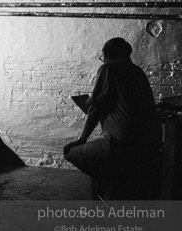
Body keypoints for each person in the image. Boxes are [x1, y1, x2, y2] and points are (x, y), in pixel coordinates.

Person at [63, 38, 162, 199]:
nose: (103, 59)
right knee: (109, 162)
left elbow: (95, 109)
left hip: (121, 144)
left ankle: (113, 187)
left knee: (70, 152)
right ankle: (120, 184)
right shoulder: (137, 71)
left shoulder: (108, 69)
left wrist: (82, 139)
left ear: (107, 54)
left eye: (103, 56)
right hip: (150, 143)